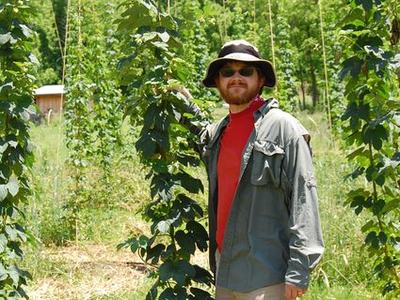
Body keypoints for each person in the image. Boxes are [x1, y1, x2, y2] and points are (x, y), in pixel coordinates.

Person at [182, 39, 324, 300]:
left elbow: (304, 199)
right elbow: (201, 134)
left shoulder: (284, 130)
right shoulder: (219, 132)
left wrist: (299, 270)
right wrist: (180, 103)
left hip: (266, 275)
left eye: (246, 71)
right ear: (217, 82)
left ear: (260, 80)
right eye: (228, 72)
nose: (236, 77)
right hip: (225, 268)